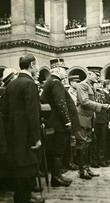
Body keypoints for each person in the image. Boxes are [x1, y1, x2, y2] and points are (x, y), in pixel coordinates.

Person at [1, 54, 44, 203]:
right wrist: (37, 137)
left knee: (18, 166)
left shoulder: (11, 84)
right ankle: (23, 198)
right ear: (32, 65)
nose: (37, 68)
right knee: (27, 167)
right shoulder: (29, 83)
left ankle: (21, 196)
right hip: (26, 133)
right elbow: (33, 113)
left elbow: (4, 109)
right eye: (36, 65)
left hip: (13, 132)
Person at [40, 58, 77, 187]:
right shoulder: (56, 82)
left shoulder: (51, 81)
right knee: (57, 151)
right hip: (58, 123)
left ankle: (58, 176)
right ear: (58, 70)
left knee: (57, 150)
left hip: (53, 121)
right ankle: (56, 178)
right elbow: (60, 103)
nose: (65, 73)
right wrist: (67, 121)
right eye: (64, 70)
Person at [76, 66, 110, 179]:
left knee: (87, 143)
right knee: (82, 144)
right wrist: (103, 106)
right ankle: (82, 170)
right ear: (89, 74)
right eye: (96, 75)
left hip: (89, 117)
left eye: (99, 75)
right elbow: (85, 102)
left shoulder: (91, 86)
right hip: (82, 117)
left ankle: (86, 168)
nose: (98, 77)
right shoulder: (82, 85)